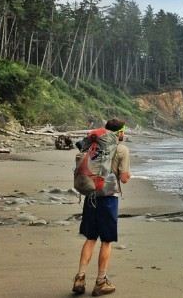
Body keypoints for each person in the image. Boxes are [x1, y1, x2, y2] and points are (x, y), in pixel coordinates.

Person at [72, 118, 131, 296]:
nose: (124, 134)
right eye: (124, 131)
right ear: (119, 132)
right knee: (106, 241)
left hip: (90, 196)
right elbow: (124, 178)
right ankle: (100, 281)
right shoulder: (121, 149)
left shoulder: (92, 146)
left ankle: (80, 278)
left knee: (90, 239)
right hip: (108, 199)